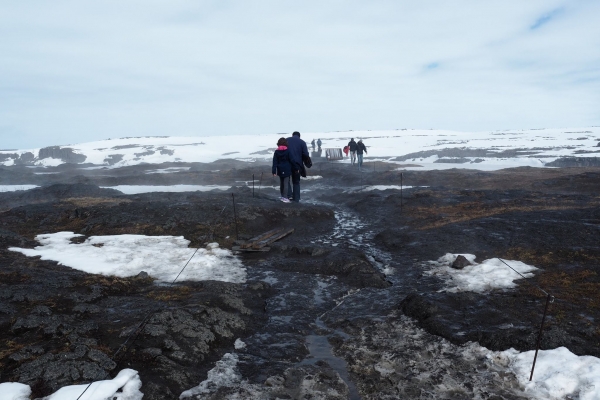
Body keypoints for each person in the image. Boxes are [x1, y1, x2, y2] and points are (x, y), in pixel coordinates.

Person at [286, 131, 309, 202]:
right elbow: (305, 154)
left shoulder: (286, 140)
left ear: (292, 135)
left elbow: (281, 150)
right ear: (299, 136)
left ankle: (289, 196)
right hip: (297, 164)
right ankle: (296, 199)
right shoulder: (302, 142)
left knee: (287, 180)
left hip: (287, 163)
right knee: (296, 181)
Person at [272, 138, 292, 203]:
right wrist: (296, 168)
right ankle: (285, 197)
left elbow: (275, 161)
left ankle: (282, 196)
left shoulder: (276, 151)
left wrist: (274, 171)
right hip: (287, 169)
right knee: (286, 183)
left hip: (280, 169)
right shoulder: (288, 151)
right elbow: (292, 160)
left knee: (282, 183)